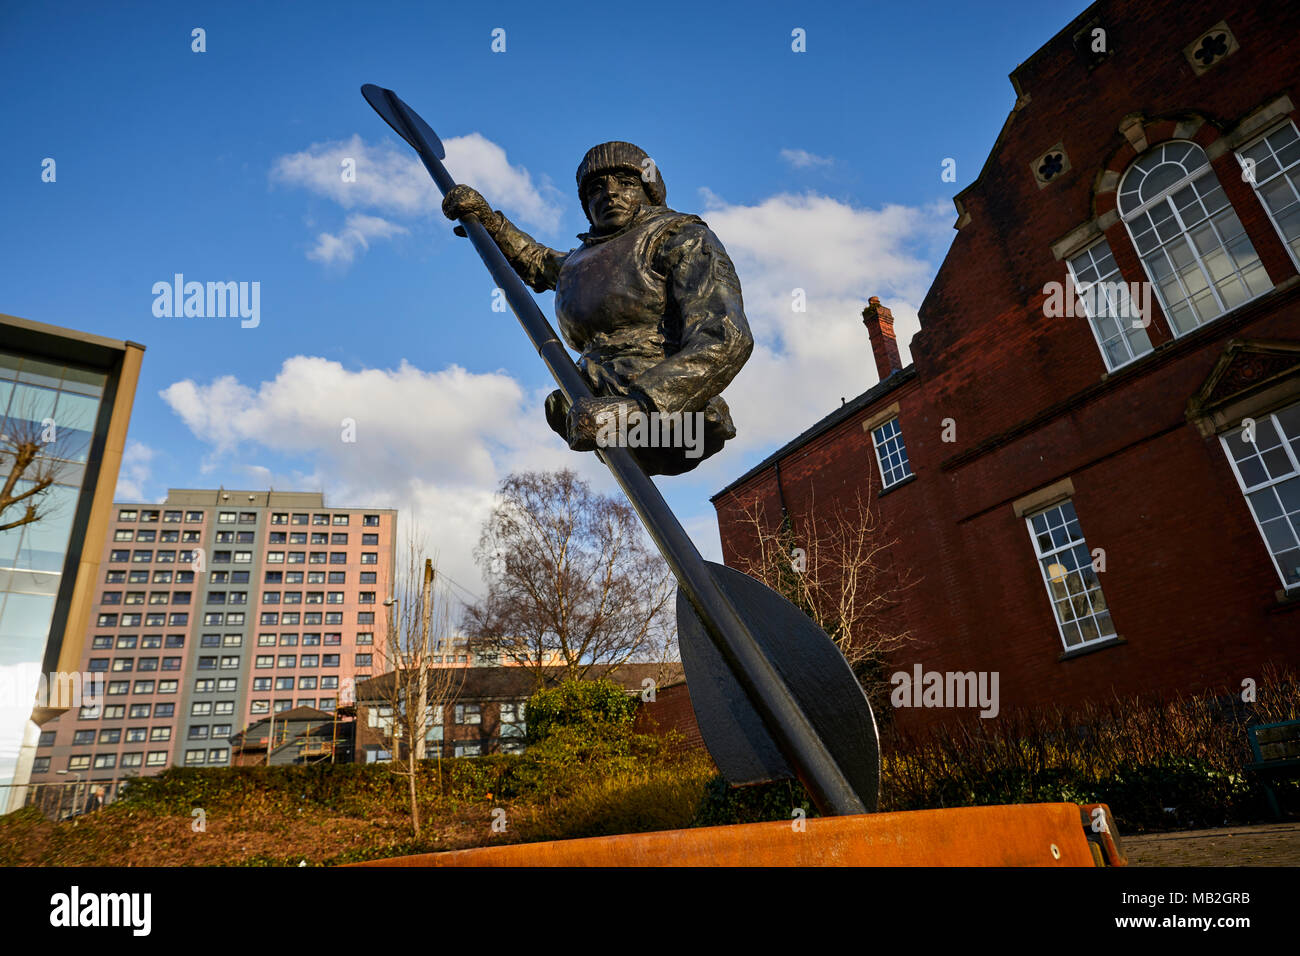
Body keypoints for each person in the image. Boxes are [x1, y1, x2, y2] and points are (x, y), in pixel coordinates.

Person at [442, 142, 753, 476]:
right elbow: (536, 260)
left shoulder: (681, 237)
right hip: (588, 401)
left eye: (626, 182)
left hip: (672, 415)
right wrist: (491, 224)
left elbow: (726, 336)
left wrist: (634, 409)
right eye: (595, 189)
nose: (610, 194)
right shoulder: (579, 261)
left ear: (650, 191)